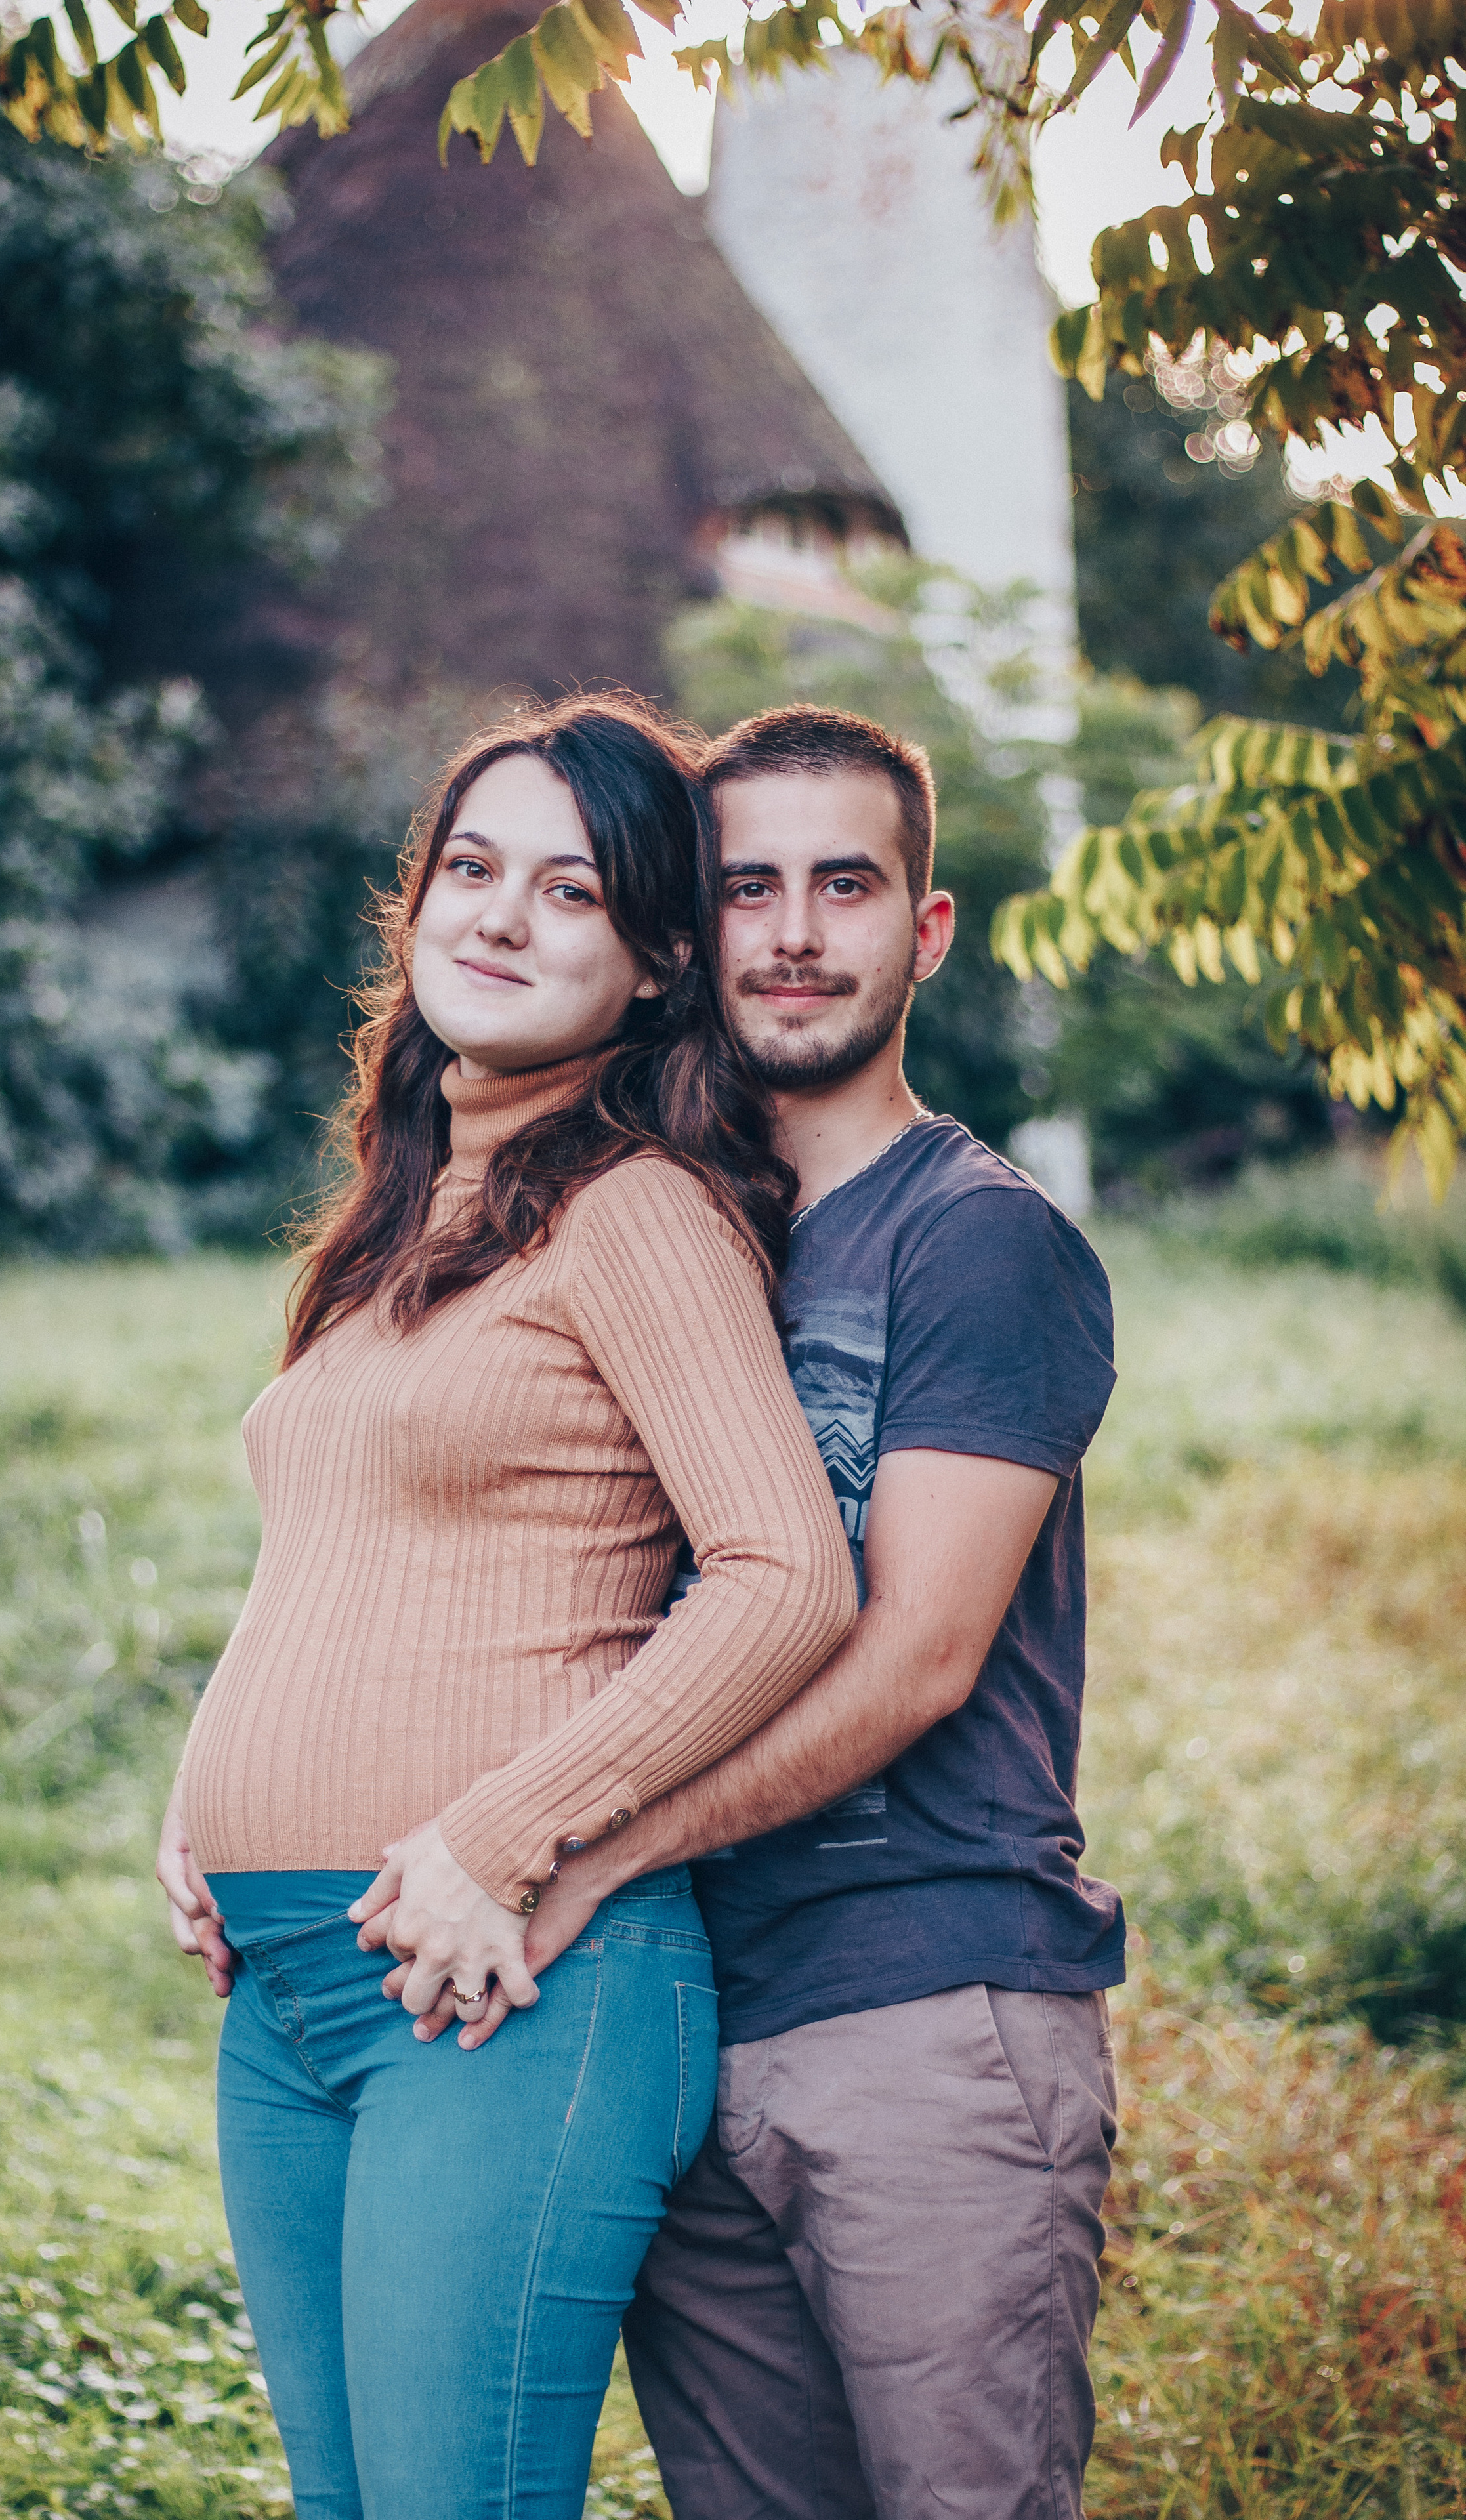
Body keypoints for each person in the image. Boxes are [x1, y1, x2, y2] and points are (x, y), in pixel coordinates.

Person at [384, 705, 1124, 2520]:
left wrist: (585, 1852)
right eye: (747, 889)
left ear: (924, 931)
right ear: (686, 935)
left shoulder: (975, 1238)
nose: (793, 933)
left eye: (845, 886)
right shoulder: (667, 1227)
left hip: (927, 2009)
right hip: (680, 2022)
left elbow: (914, 1658)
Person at [153, 694, 855, 2520]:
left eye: (569, 892)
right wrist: (200, 1796)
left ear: (651, 966)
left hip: (508, 1972)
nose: (498, 915)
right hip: (293, 1985)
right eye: (472, 868)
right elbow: (331, 1543)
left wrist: (505, 1829)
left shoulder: (634, 1211)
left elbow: (790, 1574)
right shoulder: (403, 1222)